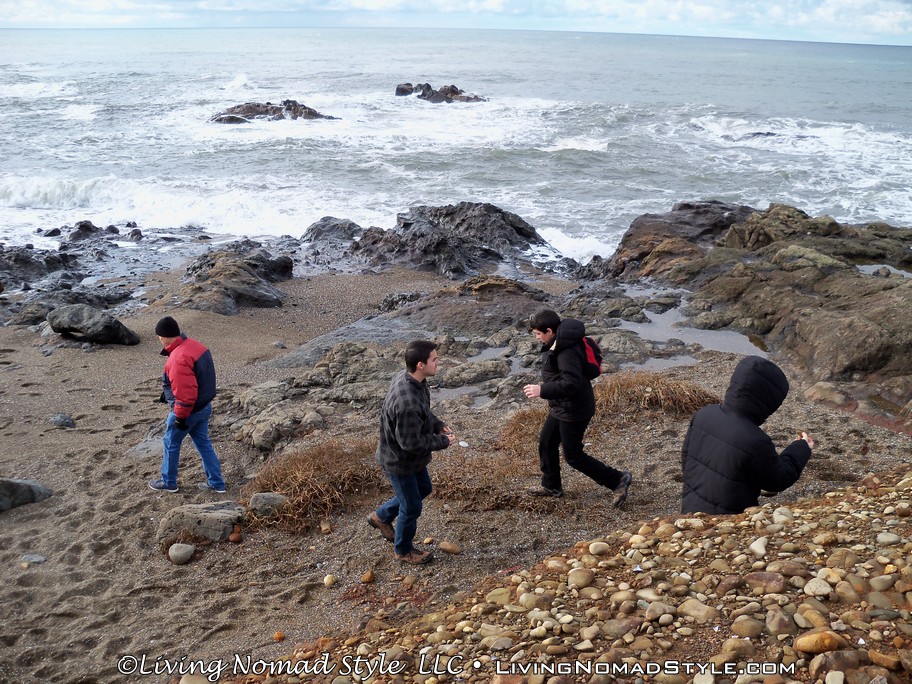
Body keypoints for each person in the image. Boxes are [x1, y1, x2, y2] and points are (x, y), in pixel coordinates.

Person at [522, 309, 632, 505]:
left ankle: (618, 479)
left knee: (573, 456)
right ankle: (551, 486)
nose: (537, 338)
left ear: (549, 331)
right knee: (546, 443)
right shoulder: (559, 342)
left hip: (574, 410)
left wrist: (542, 390)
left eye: (538, 334)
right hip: (562, 405)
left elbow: (572, 384)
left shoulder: (566, 351)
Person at [680, 355, 813, 514]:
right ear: (768, 400)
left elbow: (686, 458)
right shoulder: (755, 440)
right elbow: (778, 480)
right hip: (729, 518)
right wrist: (801, 448)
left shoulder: (704, 414)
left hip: (690, 511)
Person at [368, 340, 455, 565]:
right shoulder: (406, 404)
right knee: (412, 506)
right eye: (434, 359)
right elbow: (411, 444)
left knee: (424, 488)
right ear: (420, 365)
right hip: (399, 462)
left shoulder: (413, 379)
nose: (438, 362)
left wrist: (437, 424)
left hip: (408, 458)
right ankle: (403, 550)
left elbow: (423, 412)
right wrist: (443, 441)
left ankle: (381, 516)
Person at [148, 316, 226, 494]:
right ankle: (217, 483)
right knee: (203, 444)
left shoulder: (178, 358)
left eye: (159, 336)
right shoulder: (196, 346)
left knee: (171, 442)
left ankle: (168, 482)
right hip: (204, 406)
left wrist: (180, 417)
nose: (159, 340)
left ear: (165, 337)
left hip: (188, 410)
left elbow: (186, 394)